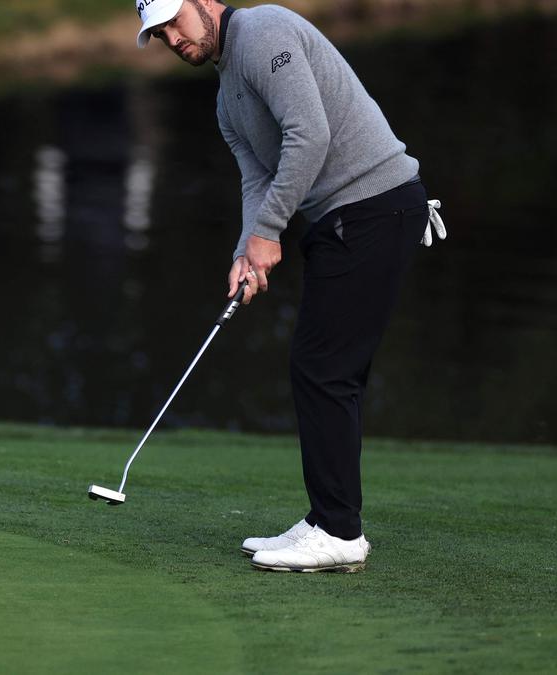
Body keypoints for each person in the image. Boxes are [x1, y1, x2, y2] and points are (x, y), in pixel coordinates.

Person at [134, 0, 445, 572]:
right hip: (345, 219)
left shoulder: (262, 31)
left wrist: (270, 233)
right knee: (324, 368)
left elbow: (310, 135)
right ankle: (328, 520)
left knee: (323, 368)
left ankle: (339, 532)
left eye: (174, 23)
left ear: (203, 2)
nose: (173, 40)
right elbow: (259, 178)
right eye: (158, 35)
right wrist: (245, 252)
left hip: (375, 206)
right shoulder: (227, 97)